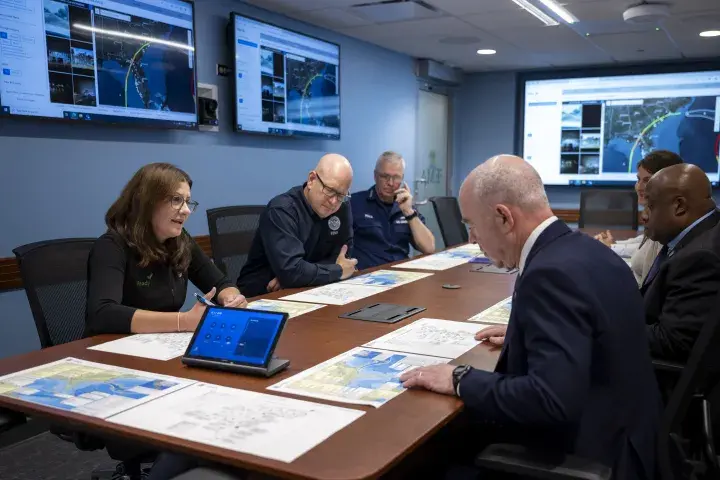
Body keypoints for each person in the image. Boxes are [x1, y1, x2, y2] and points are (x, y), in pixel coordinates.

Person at [400, 155, 660, 480]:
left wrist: (459, 378)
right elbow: (590, 335)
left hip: (591, 456)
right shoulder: (588, 251)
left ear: (503, 217)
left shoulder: (549, 274)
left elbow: (550, 400)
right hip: (631, 440)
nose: (472, 239)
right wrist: (522, 333)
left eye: (473, 226)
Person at [86, 163, 247, 336]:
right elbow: (102, 314)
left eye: (187, 202)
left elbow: (220, 283)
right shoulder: (111, 246)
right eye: (176, 200)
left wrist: (231, 298)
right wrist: (182, 321)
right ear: (147, 202)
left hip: (161, 344)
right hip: (110, 349)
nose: (186, 211)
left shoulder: (180, 241)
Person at [236, 154, 357, 297]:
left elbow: (344, 255)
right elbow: (292, 271)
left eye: (341, 195)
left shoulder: (341, 205)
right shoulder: (282, 210)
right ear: (312, 180)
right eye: (329, 191)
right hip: (261, 296)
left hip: (308, 291)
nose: (334, 201)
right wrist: (337, 271)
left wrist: (301, 277)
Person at [640, 163, 720, 362]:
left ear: (679, 206)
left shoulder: (700, 257)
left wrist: (609, 326)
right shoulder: (703, 234)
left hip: (661, 381)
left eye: (650, 206)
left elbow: (673, 341)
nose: (644, 215)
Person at [595, 150, 684, 284]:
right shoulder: (658, 218)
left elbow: (647, 277)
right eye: (638, 180)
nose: (639, 187)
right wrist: (613, 246)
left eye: (647, 180)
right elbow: (643, 243)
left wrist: (609, 249)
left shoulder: (668, 224)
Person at [350, 151, 435, 269]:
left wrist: (409, 212)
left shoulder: (406, 206)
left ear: (402, 179)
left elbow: (429, 248)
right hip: (369, 277)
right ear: (375, 176)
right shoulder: (355, 203)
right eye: (385, 176)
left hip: (401, 274)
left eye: (396, 177)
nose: (390, 183)